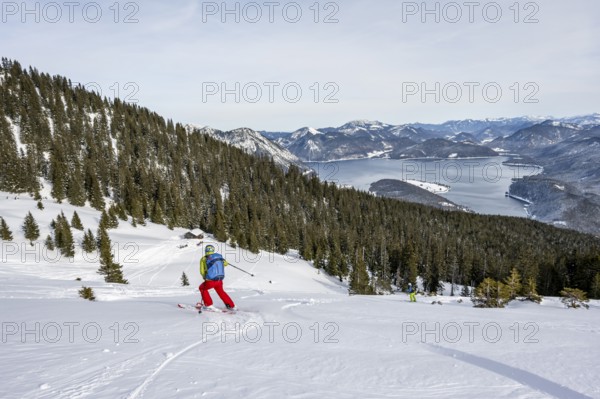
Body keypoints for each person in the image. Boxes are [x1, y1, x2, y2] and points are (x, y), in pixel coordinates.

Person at [198, 244, 235, 310]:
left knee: (202, 288)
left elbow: (202, 271)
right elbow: (225, 264)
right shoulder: (218, 256)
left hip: (210, 281)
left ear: (206, 250)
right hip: (219, 280)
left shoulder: (204, 258)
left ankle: (208, 305)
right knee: (221, 292)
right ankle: (231, 305)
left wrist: (204, 277)